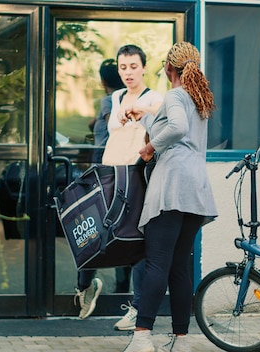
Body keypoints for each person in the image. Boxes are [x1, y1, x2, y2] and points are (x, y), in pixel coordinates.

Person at [121, 41, 218, 352]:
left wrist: (151, 147)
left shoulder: (176, 95)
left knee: (157, 263)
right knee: (178, 266)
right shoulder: (198, 99)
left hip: (173, 185)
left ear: (168, 68)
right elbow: (174, 125)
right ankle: (181, 340)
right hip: (195, 189)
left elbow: (175, 127)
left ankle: (141, 337)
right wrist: (146, 115)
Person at [108, 44, 164, 331]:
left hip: (140, 177)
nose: (127, 72)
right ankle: (100, 287)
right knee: (115, 235)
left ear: (143, 67)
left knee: (139, 240)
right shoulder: (116, 96)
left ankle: (138, 307)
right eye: (122, 67)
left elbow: (165, 122)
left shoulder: (154, 98)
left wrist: (143, 110)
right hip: (115, 177)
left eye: (133, 66)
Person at [74, 58, 125, 320]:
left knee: (91, 228)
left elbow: (111, 122)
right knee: (118, 228)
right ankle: (122, 289)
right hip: (118, 173)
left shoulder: (110, 100)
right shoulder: (126, 98)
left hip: (102, 173)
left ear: (103, 80)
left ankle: (85, 286)